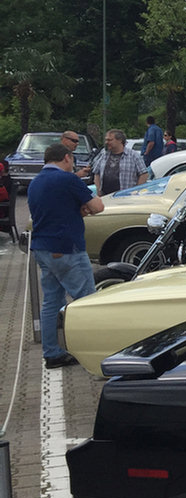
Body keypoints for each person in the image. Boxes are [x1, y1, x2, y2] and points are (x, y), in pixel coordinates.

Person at [29, 143, 105, 368]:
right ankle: (94, 351)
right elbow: (97, 206)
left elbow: (53, 210)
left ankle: (52, 352)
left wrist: (78, 209)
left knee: (52, 301)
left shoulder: (35, 182)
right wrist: (87, 206)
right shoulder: (68, 179)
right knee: (87, 300)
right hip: (67, 248)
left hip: (43, 248)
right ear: (66, 158)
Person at [93, 129, 148, 196]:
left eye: (110, 140)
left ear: (120, 140)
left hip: (126, 197)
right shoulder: (104, 155)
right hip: (106, 197)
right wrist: (99, 190)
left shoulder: (134, 156)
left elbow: (144, 174)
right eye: (106, 140)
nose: (106, 142)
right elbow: (96, 173)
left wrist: (136, 191)